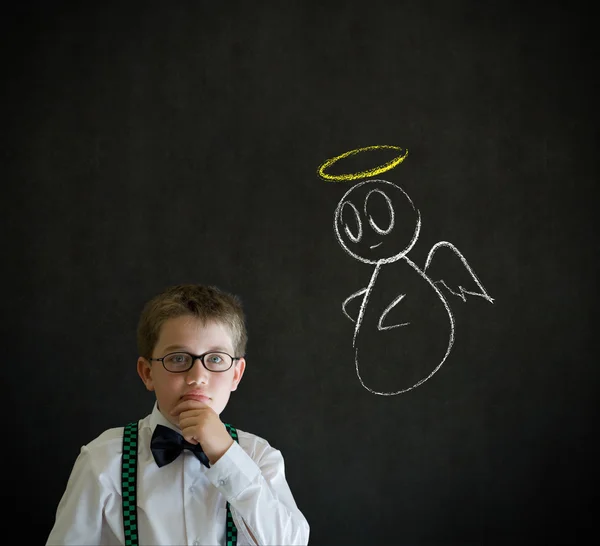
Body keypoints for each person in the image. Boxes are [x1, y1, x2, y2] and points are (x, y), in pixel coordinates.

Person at [46, 283, 310, 545]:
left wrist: (227, 458)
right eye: (178, 358)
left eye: (215, 359)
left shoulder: (259, 457)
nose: (197, 377)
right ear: (147, 373)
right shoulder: (103, 460)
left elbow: (290, 542)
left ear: (236, 374)